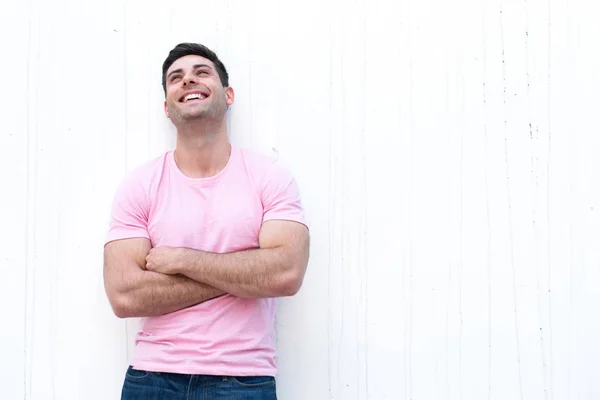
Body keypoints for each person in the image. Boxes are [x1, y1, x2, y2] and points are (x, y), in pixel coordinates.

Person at [103, 42, 310, 400]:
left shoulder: (269, 177)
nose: (188, 81)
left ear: (228, 95)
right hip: (153, 378)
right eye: (176, 78)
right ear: (166, 107)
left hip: (244, 379)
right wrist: (245, 272)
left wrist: (184, 261)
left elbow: (287, 273)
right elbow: (124, 295)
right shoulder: (139, 185)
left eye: (201, 72)